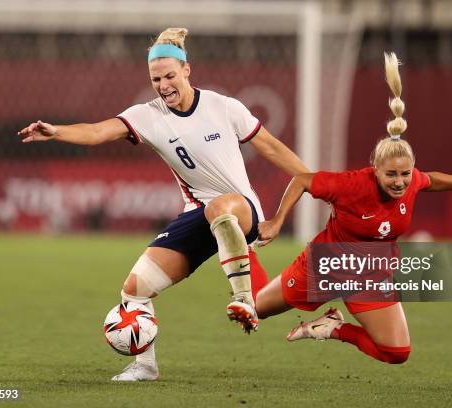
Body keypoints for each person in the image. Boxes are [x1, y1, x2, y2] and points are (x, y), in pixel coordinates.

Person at [18, 27, 307, 381]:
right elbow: (97, 132)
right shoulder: (148, 115)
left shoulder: (224, 107)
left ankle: (243, 298)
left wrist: (307, 190)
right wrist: (56, 131)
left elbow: (274, 149)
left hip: (240, 209)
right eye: (156, 79)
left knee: (219, 207)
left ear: (187, 70)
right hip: (197, 214)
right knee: (133, 291)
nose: (164, 84)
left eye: (170, 75)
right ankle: (145, 366)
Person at [254, 52, 452, 365]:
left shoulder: (411, 180)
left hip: (371, 276)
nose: (400, 182)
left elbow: (430, 180)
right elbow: (303, 180)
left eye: (405, 174)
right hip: (326, 265)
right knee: (253, 311)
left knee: (396, 353)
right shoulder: (350, 185)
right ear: (374, 168)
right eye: (391, 174)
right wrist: (278, 221)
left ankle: (332, 328)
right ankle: (243, 258)